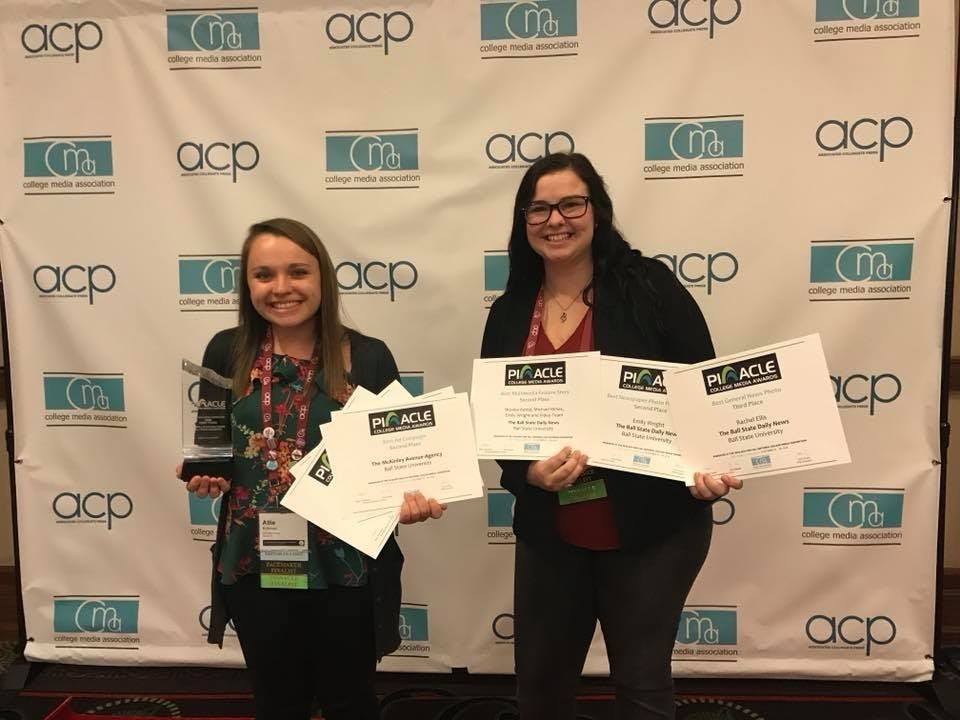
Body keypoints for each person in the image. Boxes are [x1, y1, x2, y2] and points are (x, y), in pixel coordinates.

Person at [480, 153, 741, 720]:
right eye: (539, 208)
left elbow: (703, 387)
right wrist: (525, 472)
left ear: (596, 211)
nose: (556, 220)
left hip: (653, 527)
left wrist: (708, 465)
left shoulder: (649, 287)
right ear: (523, 222)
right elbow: (498, 425)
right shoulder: (508, 312)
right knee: (541, 692)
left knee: (642, 687)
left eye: (571, 203)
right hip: (553, 526)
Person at [178, 218, 443, 720]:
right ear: (247, 284)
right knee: (277, 702)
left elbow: (402, 455)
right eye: (264, 275)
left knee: (349, 700)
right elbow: (211, 448)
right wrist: (207, 475)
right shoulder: (225, 351)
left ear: (322, 278)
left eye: (297, 272)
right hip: (256, 562)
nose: (281, 288)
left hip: (347, 563)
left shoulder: (366, 357)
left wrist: (412, 493)